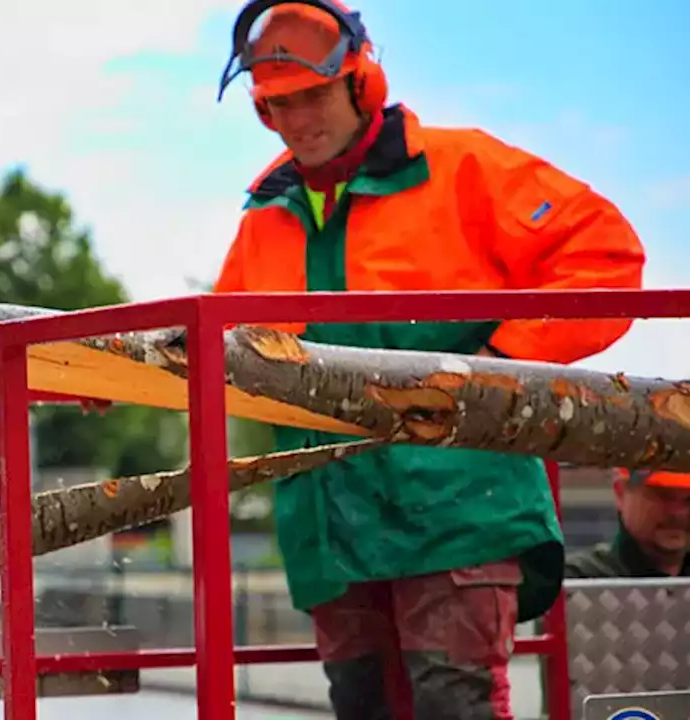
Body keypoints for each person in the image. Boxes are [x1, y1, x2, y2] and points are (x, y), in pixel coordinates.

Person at [210, 1, 646, 718]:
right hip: (330, 524)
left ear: (361, 83)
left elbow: (606, 257)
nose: (298, 120)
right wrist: (103, 375)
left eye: (313, 96)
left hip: (456, 511)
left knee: (455, 706)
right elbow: (218, 348)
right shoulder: (268, 212)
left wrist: (500, 367)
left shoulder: (463, 168)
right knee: (363, 706)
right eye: (277, 105)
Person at [566, 469, 690, 578]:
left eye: (689, 499)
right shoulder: (573, 581)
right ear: (620, 492)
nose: (678, 513)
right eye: (662, 495)